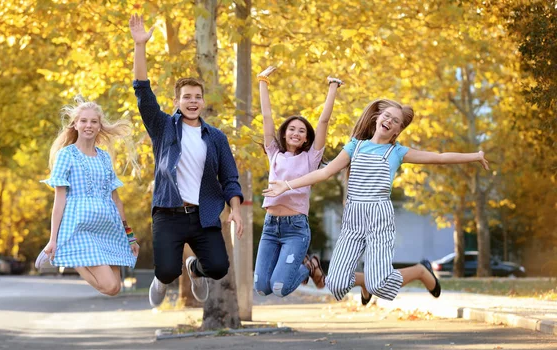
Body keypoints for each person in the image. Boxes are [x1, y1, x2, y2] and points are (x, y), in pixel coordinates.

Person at [263, 99, 490, 304]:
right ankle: (364, 283)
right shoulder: (355, 146)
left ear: (398, 130)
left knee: (379, 284)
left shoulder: (397, 152)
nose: (389, 121)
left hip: (379, 217)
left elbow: (439, 158)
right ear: (377, 118)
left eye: (396, 121)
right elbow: (324, 173)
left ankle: (421, 271)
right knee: (336, 284)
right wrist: (287, 184)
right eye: (387, 116)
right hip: (353, 218)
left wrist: (475, 156)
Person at [129, 14, 244, 307]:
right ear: (177, 101)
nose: (192, 101)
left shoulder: (216, 137)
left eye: (197, 96)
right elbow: (142, 92)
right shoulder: (163, 126)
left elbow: (230, 178)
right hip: (167, 213)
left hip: (203, 215)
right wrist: (140, 46)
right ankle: (162, 278)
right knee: (167, 271)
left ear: (203, 101)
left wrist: (236, 211)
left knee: (218, 268)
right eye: (186, 96)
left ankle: (195, 269)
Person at [35, 97, 140, 296]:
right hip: (80, 228)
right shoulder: (66, 155)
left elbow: (116, 200)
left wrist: (130, 237)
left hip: (109, 228)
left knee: (115, 288)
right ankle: (71, 257)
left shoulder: (104, 157)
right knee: (108, 286)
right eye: (83, 121)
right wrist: (53, 239)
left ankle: (72, 257)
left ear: (100, 126)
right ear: (75, 124)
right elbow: (59, 200)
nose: (88, 125)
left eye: (93, 121)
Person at [253, 66, 342, 298]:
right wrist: (263, 81)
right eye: (291, 129)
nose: (296, 133)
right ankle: (308, 265)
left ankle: (309, 266)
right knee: (262, 287)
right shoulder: (273, 152)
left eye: (301, 131)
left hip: (295, 229)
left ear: (306, 139)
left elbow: (323, 122)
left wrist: (333, 87)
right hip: (271, 226)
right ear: (284, 134)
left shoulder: (310, 158)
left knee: (279, 288)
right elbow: (266, 116)